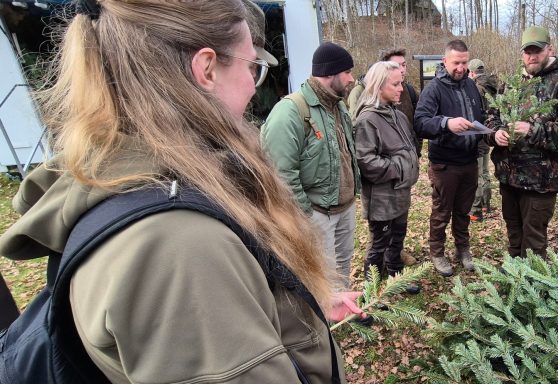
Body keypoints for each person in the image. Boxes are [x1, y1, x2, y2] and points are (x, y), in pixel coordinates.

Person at [0, 1, 364, 381]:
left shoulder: (159, 187)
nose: (253, 89)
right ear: (207, 68)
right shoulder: (177, 245)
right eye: (252, 66)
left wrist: (297, 304)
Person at [261, 42, 360, 289]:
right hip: (317, 213)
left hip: (344, 207)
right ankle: (324, 321)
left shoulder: (338, 105)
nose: (351, 78)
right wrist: (307, 213)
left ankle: (342, 313)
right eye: (347, 72)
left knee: (343, 265)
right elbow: (280, 172)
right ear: (329, 73)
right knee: (321, 274)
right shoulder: (290, 111)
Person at [485, 26, 558, 257]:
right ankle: (512, 279)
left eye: (537, 50)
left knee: (533, 239)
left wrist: (532, 130)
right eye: (527, 51)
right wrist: (495, 133)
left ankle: (532, 287)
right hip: (508, 176)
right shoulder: (512, 83)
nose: (532, 56)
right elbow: (492, 114)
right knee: (513, 232)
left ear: (549, 49)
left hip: (540, 181)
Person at [414, 40, 484, 276]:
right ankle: (437, 252)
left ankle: (463, 249)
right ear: (445, 61)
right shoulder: (434, 89)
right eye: (456, 63)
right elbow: (420, 123)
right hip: (444, 163)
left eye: (464, 63)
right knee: (442, 211)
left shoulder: (471, 86)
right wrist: (446, 123)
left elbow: (481, 115)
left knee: (464, 211)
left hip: (469, 161)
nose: (461, 68)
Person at [349, 48, 422, 267]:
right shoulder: (368, 119)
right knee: (379, 246)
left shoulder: (397, 114)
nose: (402, 89)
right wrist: (400, 167)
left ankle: (394, 279)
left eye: (401, 83)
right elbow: (366, 162)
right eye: (395, 84)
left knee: (397, 242)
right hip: (382, 200)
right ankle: (375, 294)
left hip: (401, 194)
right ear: (379, 85)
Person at [467, 58, 500, 222]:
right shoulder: (493, 86)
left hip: (479, 132)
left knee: (478, 174)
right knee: (485, 171)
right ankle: (487, 203)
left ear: (472, 72)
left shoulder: (476, 88)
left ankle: (476, 210)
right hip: (491, 133)